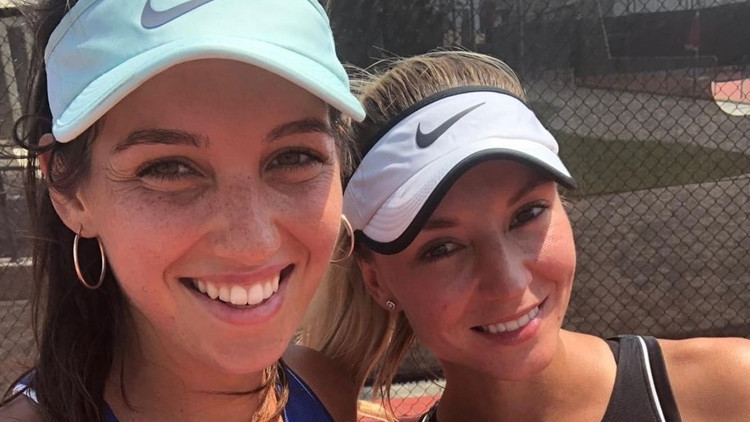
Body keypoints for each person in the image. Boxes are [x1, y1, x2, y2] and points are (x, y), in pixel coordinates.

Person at [301, 51, 750, 422]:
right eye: (443, 248)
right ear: (376, 281)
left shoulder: (728, 390)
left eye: (527, 214)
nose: (509, 282)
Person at [0, 0, 365, 421]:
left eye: (294, 158)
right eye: (169, 169)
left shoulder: (325, 390)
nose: (252, 243)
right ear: (71, 195)